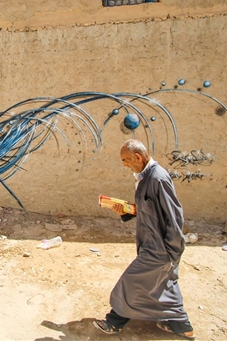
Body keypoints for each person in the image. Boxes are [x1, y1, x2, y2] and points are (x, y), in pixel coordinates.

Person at [93, 139, 195, 340]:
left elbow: (174, 216)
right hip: (152, 243)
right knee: (165, 283)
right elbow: (150, 210)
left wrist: (172, 250)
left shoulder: (157, 178)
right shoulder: (144, 177)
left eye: (125, 160)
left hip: (160, 247)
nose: (125, 164)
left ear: (138, 157)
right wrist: (126, 211)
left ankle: (114, 322)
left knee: (131, 281)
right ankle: (181, 326)